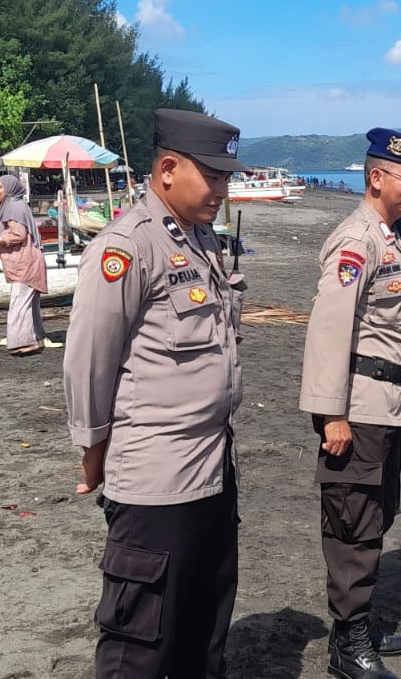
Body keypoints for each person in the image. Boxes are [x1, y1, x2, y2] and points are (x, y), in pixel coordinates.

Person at [64, 108, 249, 678]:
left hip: (213, 468)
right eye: (212, 176)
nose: (223, 189)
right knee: (140, 644)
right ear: (167, 169)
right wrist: (94, 450)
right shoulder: (127, 247)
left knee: (203, 628)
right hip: (156, 482)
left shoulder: (199, 238)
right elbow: (90, 360)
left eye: (226, 177)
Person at [299, 127, 401, 679]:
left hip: (386, 401)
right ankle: (349, 645)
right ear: (376, 177)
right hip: (357, 404)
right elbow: (330, 332)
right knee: (353, 522)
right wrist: (332, 415)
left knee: (377, 514)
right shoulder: (358, 241)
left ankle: (357, 628)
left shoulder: (393, 234)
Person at [0, 174, 56, 355]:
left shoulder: (13, 206)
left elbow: (18, 234)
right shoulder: (16, 205)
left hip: (24, 262)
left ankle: (24, 342)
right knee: (28, 303)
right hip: (28, 261)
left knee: (19, 303)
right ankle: (36, 338)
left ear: (10, 189)